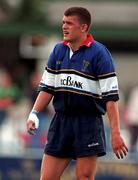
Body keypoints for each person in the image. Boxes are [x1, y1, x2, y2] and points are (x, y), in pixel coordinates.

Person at [26, 7, 128, 180]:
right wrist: (34, 113)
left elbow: (111, 98)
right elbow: (47, 88)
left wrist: (115, 133)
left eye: (69, 23)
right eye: (63, 23)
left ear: (83, 27)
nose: (64, 27)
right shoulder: (58, 50)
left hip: (88, 123)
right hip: (61, 121)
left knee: (84, 177)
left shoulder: (100, 54)